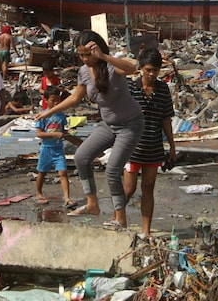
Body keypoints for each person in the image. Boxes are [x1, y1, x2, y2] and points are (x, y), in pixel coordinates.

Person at [36, 30, 143, 228]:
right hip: (108, 125)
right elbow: (75, 98)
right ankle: (92, 203)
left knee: (112, 170)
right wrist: (48, 113)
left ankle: (120, 218)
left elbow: (133, 68)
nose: (85, 59)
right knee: (81, 157)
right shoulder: (84, 72)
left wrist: (102, 56)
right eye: (81, 55)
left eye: (88, 54)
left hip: (130, 125)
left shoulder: (112, 66)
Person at [123, 48, 176, 235]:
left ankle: (146, 231)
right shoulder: (130, 89)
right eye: (148, 70)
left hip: (153, 147)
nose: (152, 74)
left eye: (155, 70)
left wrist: (172, 147)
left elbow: (166, 120)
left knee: (148, 189)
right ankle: (118, 221)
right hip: (132, 148)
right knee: (128, 189)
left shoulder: (163, 90)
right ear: (141, 69)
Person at [35, 86, 74, 207]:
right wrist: (55, 134)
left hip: (58, 149)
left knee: (63, 172)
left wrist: (69, 132)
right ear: (46, 100)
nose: (56, 103)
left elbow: (64, 130)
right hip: (46, 149)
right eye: (53, 100)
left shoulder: (61, 116)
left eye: (58, 100)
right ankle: (39, 193)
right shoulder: (43, 116)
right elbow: (39, 133)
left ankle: (67, 198)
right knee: (42, 172)